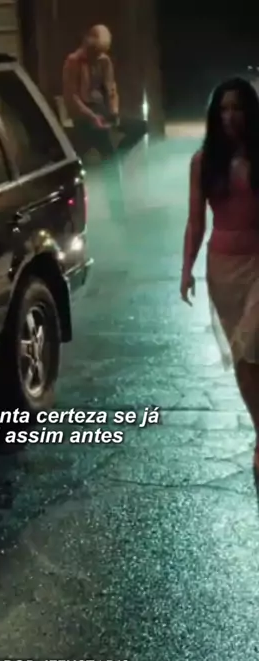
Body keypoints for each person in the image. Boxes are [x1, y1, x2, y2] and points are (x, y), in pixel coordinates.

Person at [181, 78, 259, 468]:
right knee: (244, 360)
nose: (230, 116)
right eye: (224, 109)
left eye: (238, 108)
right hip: (223, 269)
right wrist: (186, 270)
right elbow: (195, 222)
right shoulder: (203, 162)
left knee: (255, 344)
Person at [62, 24, 146, 220]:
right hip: (83, 117)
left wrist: (114, 111)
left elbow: (111, 89)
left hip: (103, 112)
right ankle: (112, 213)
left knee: (139, 127)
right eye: (95, 51)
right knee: (95, 160)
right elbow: (71, 97)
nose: (97, 56)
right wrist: (92, 117)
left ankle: (117, 155)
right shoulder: (73, 62)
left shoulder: (104, 61)